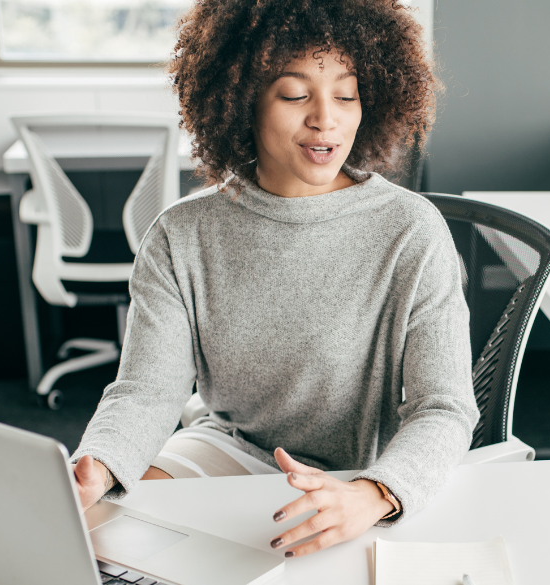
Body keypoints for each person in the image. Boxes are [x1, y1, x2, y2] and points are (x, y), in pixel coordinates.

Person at [68, 0, 476, 559]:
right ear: (241, 102)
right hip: (228, 446)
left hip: (361, 471)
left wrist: (376, 492)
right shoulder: (182, 234)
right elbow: (147, 391)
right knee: (103, 531)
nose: (325, 119)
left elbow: (444, 407)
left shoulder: (410, 231)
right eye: (294, 94)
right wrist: (100, 463)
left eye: (346, 94)